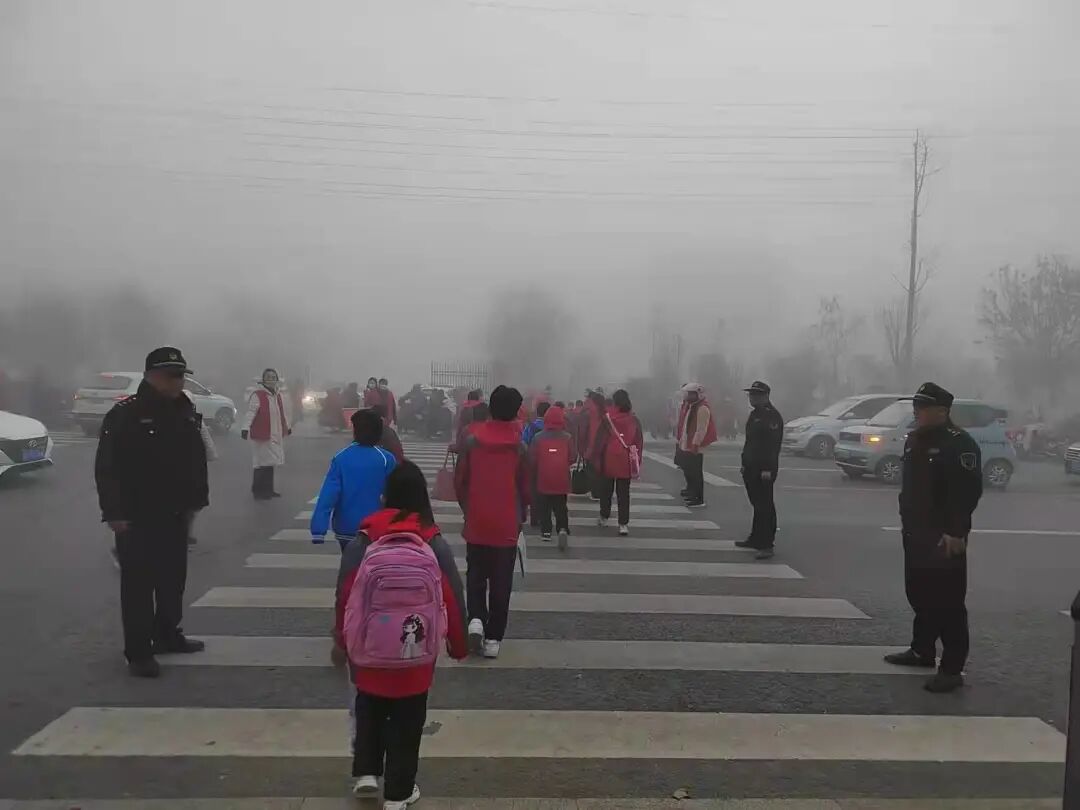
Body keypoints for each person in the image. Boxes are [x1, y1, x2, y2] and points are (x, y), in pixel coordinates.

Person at [334, 461, 467, 807]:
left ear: (386, 496)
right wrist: (458, 642)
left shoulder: (365, 537)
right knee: (408, 721)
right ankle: (399, 793)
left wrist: (341, 639)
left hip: (369, 650)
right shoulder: (431, 539)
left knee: (369, 708)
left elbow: (346, 592)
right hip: (415, 657)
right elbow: (453, 594)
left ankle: (366, 772)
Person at [94, 347, 208, 678]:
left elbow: (195, 458)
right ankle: (139, 652)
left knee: (173, 581)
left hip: (176, 512)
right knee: (139, 587)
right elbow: (107, 468)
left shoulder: (184, 408)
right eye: (171, 376)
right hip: (137, 514)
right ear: (150, 376)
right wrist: (113, 513)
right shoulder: (126, 413)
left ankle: (167, 634)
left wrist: (197, 500)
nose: (177, 382)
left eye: (181, 375)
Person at [884, 382, 982, 694]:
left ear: (942, 411)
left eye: (923, 407)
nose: (917, 412)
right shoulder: (916, 438)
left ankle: (952, 668)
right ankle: (922, 649)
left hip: (943, 537)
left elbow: (966, 492)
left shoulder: (959, 443)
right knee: (919, 593)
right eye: (916, 406)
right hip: (916, 532)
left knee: (948, 603)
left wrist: (956, 531)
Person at [454, 385, 529, 659]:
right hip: (506, 523)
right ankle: (493, 638)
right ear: (515, 412)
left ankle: (475, 619)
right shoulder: (520, 447)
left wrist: (468, 509)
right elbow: (525, 489)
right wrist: (521, 516)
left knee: (475, 574)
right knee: (501, 582)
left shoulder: (472, 441)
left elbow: (460, 481)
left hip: (477, 519)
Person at [311, 409, 397, 552]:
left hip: (346, 528)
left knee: (349, 563)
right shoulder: (386, 459)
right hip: (377, 528)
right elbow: (395, 495)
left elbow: (328, 495)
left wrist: (318, 530)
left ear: (355, 430)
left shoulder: (341, 457)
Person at [735, 381, 783, 559]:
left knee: (765, 506)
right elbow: (750, 442)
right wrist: (744, 463)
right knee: (757, 504)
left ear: (765, 396)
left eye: (756, 394)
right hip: (751, 467)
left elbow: (772, 446)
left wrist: (767, 469)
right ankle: (755, 538)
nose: (752, 397)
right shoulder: (755, 414)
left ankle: (766, 543)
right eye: (751, 394)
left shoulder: (771, 416)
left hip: (764, 470)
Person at [592, 389, 644, 536]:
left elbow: (599, 441)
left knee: (606, 491)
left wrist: (596, 458)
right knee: (624, 493)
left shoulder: (607, 419)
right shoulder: (634, 420)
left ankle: (604, 516)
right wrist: (637, 460)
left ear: (614, 402)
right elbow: (638, 441)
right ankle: (623, 524)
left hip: (609, 460)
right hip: (626, 461)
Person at [528, 404, 577, 548]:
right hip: (561, 478)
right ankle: (562, 528)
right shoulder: (567, 437)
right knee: (561, 506)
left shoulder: (538, 438)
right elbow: (572, 457)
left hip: (543, 477)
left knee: (544, 506)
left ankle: (546, 531)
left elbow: (532, 459)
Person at [240, 368, 291, 500]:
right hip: (262, 434)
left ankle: (269, 489)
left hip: (274, 433)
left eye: (273, 377)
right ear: (263, 379)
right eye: (268, 377)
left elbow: (282, 413)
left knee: (270, 463)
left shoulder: (277, 395)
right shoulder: (258, 395)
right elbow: (251, 412)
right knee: (261, 463)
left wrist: (287, 427)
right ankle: (258, 491)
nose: (271, 380)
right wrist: (245, 428)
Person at [676, 383, 717, 509]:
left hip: (695, 446)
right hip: (688, 444)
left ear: (697, 394)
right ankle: (692, 493)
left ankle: (698, 499)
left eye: (690, 394)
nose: (687, 396)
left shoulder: (702, 408)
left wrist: (695, 444)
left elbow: (701, 429)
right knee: (690, 471)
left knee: (696, 473)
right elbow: (686, 427)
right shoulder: (692, 407)